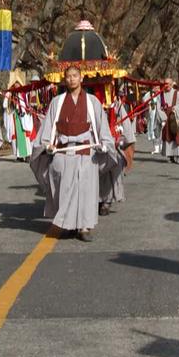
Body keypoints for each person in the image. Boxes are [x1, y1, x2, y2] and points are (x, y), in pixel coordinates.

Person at [29, 66, 120, 241]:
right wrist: (47, 145)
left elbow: (102, 128)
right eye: (68, 76)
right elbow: (48, 128)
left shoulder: (93, 102)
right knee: (64, 190)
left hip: (87, 151)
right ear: (65, 80)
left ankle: (84, 227)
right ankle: (69, 225)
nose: (71, 79)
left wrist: (104, 145)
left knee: (86, 190)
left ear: (81, 78)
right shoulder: (57, 102)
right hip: (63, 152)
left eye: (75, 76)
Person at [101, 85, 136, 216]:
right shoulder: (90, 102)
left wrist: (122, 140)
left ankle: (107, 201)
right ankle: (99, 200)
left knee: (112, 170)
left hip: (114, 144)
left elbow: (126, 128)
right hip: (96, 144)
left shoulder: (117, 106)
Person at [156, 78, 179, 164]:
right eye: (165, 84)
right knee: (167, 136)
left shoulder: (177, 94)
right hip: (166, 118)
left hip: (175, 118)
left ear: (171, 84)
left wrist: (175, 109)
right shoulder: (161, 95)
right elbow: (158, 107)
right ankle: (170, 156)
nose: (166, 85)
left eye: (167, 84)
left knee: (177, 136)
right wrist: (163, 117)